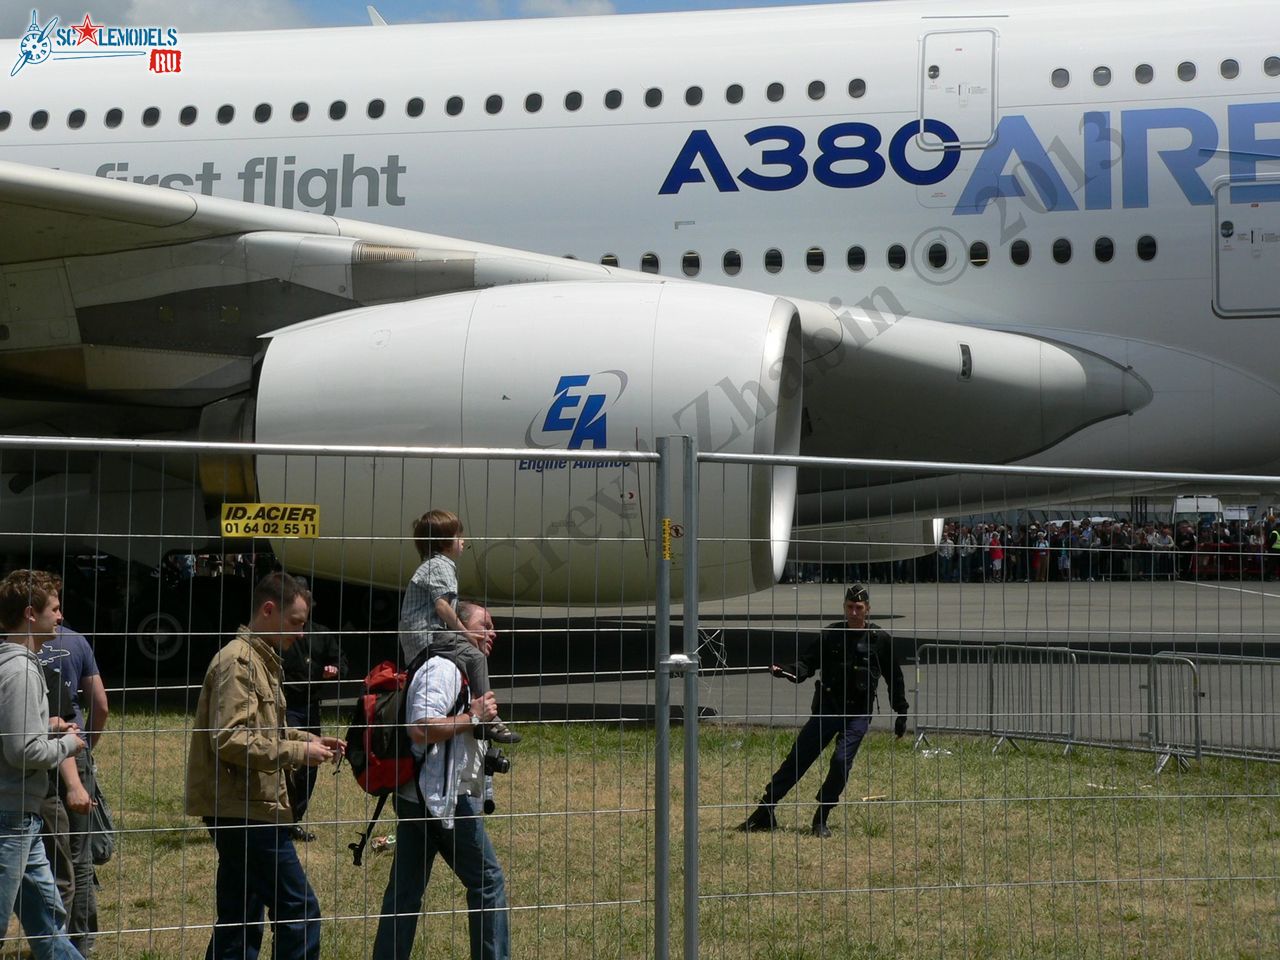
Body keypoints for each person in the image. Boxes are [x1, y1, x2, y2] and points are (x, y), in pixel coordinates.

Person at [185, 572, 346, 960]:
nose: (301, 635)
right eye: (296, 623)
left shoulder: (261, 660)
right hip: (244, 808)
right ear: (268, 610)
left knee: (240, 916)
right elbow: (228, 739)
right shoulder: (239, 663)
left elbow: (264, 728)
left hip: (248, 804)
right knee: (300, 909)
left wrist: (306, 739)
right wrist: (297, 754)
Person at [371, 602, 511, 960]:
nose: (493, 632)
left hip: (422, 795)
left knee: (405, 892)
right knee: (488, 881)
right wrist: (473, 716)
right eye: (485, 625)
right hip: (440, 798)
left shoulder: (456, 667)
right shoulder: (442, 668)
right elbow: (420, 728)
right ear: (461, 629)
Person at [737, 583, 909, 838]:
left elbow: (894, 677)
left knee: (841, 762)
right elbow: (807, 664)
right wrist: (788, 671)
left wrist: (901, 711)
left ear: (867, 610)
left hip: (857, 714)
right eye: (849, 607)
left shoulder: (879, 640)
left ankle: (822, 815)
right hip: (827, 710)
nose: (853, 612)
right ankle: (765, 810)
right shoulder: (830, 635)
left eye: (858, 608)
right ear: (844, 608)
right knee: (797, 759)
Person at [0, 569, 86, 960]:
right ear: (31, 614)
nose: (61, 615)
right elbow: (21, 753)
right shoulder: (20, 670)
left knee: (48, 921)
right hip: (10, 816)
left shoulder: (14, 663)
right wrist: (67, 744)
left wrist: (44, 725)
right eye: (54, 608)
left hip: (22, 815)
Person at [400, 509, 520, 744]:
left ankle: (473, 709)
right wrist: (467, 634)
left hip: (419, 637)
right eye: (458, 536)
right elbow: (442, 608)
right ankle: (489, 718)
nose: (463, 541)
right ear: (444, 542)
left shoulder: (431, 565)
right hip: (429, 634)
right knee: (476, 657)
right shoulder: (441, 566)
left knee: (467, 658)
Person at [39, 614, 108, 957]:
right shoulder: (76, 640)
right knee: (79, 855)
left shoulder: (15, 647)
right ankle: (81, 939)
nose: (59, 614)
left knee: (50, 854)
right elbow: (100, 705)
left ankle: (57, 938)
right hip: (72, 748)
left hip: (34, 754)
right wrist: (85, 747)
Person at [281, 617, 348, 843]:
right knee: (289, 762)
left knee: (310, 766)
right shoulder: (280, 634)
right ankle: (282, 819)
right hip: (286, 705)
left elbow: (342, 662)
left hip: (310, 706)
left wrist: (335, 669)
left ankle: (294, 819)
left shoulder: (322, 633)